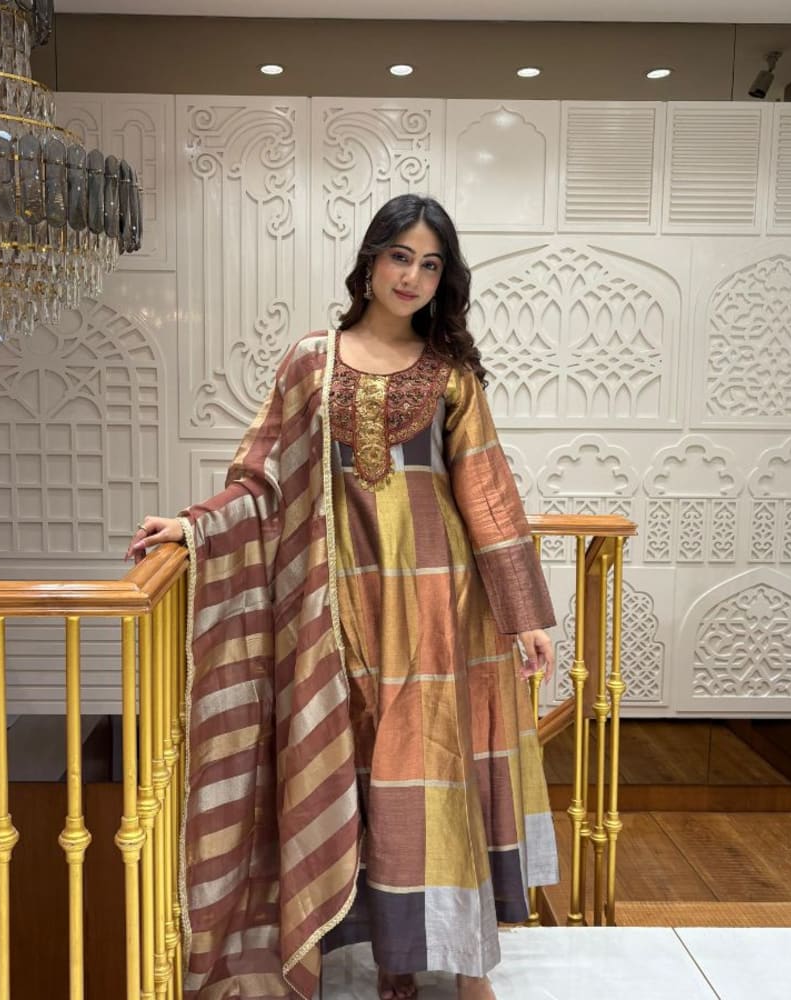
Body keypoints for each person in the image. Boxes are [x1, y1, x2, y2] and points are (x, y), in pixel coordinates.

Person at [128, 194, 558, 1000]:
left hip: (436, 608)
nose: (412, 276)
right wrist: (195, 527)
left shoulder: (451, 374)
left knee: (428, 775)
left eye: (430, 264)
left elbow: (488, 493)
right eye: (400, 256)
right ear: (370, 261)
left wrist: (525, 616)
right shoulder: (311, 362)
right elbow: (263, 478)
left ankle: (468, 969)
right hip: (332, 605)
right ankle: (389, 959)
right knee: (348, 771)